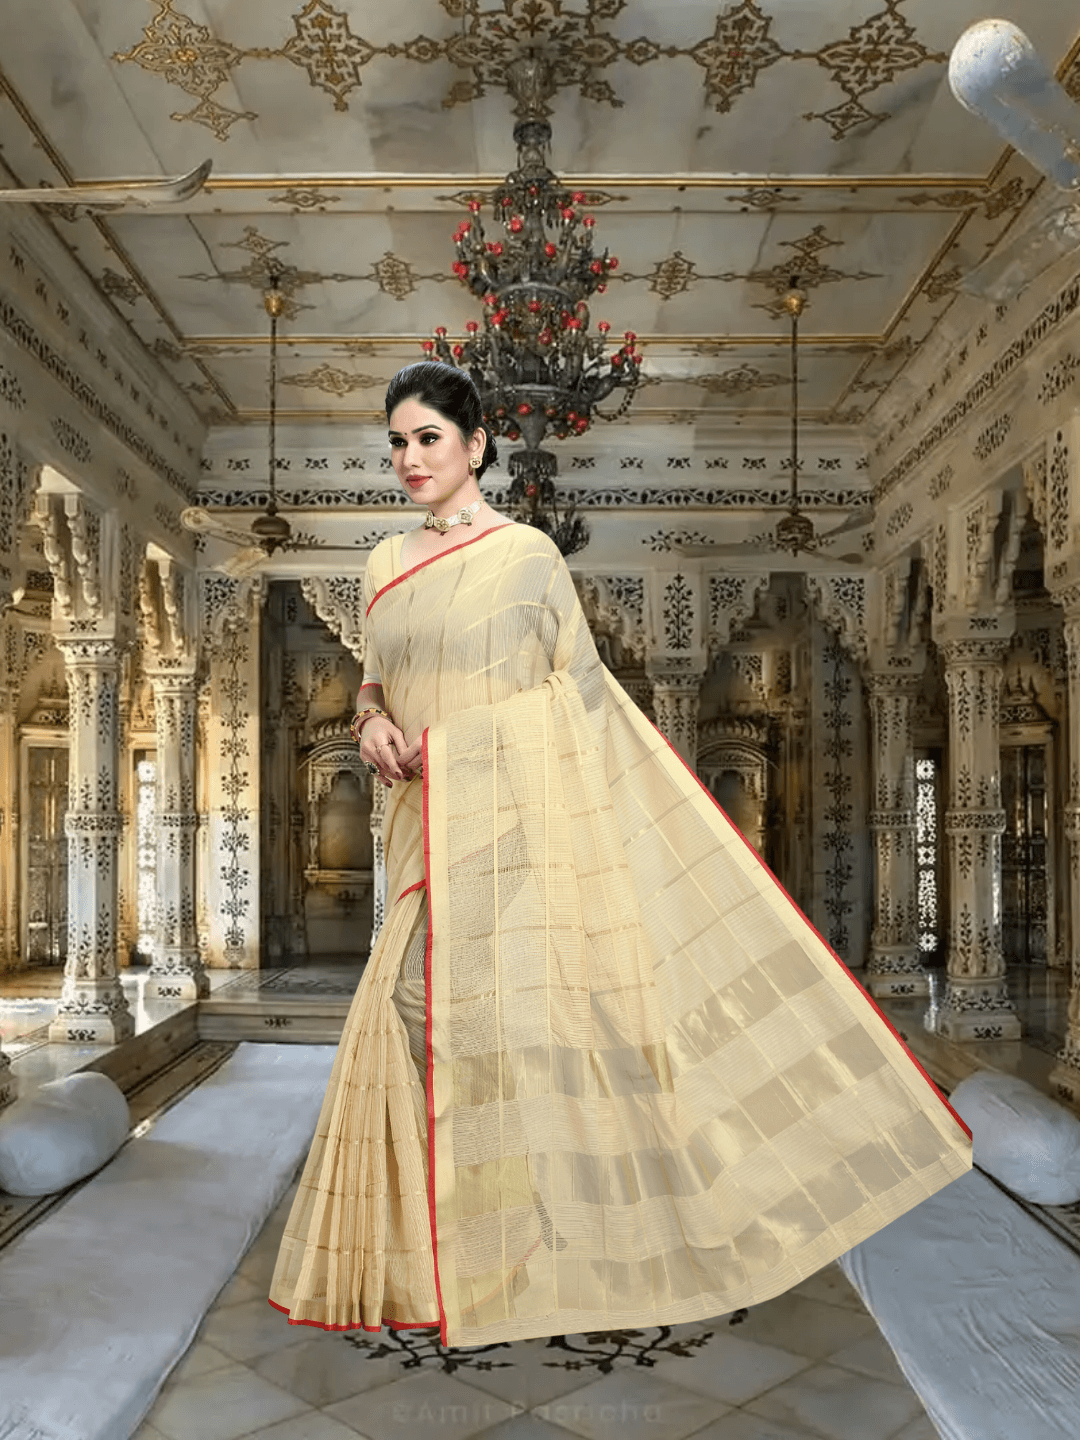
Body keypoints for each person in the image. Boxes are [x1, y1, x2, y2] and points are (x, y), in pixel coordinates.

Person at [269, 361, 972, 1348]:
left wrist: (461, 745)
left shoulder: (526, 561)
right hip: (422, 826)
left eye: (430, 437)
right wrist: (374, 718)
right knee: (412, 1012)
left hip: (517, 824)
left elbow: (582, 701)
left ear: (476, 447)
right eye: (397, 441)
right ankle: (445, 1243)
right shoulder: (384, 564)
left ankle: (537, 1241)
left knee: (521, 1026)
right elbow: (377, 677)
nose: (410, 457)